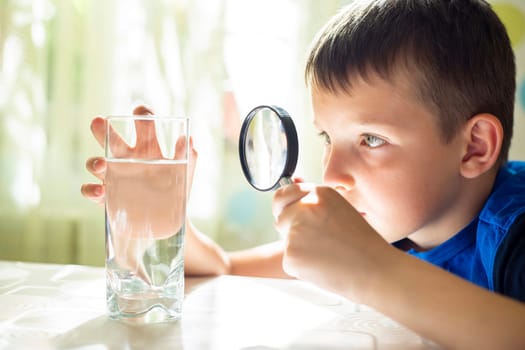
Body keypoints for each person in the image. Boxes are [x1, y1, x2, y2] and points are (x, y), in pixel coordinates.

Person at [81, 0, 525, 348]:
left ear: (475, 146)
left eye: (371, 139)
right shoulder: (395, 228)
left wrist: (371, 270)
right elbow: (225, 268)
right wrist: (166, 228)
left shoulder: (514, 228)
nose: (332, 173)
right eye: (327, 138)